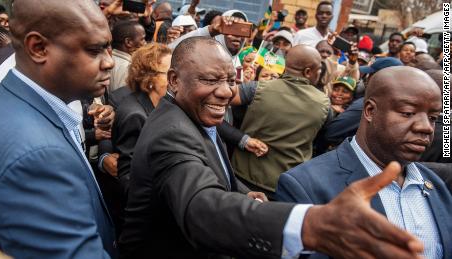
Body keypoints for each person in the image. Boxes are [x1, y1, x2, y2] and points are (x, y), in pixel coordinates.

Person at [119, 36, 424, 259]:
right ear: (173, 80)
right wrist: (310, 225)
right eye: (211, 80)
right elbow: (201, 206)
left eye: (229, 79)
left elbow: (211, 173)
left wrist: (239, 191)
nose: (226, 92)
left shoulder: (193, 117)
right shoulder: (171, 132)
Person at [277, 66, 451, 259]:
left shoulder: (437, 186)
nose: (426, 127)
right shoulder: (305, 185)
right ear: (370, 111)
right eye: (408, 112)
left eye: (433, 118)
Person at [0, 0, 116, 258]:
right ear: (38, 48)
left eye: (109, 48)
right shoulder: (40, 156)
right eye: (94, 50)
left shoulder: (5, 99)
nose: (109, 63)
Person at [231, 45, 330, 198]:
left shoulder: (256, 89)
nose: (320, 73)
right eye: (318, 69)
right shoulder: (324, 104)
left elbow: (214, 103)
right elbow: (324, 139)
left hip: (243, 178)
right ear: (308, 72)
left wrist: (241, 139)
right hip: (287, 185)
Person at [112, 43, 171, 194]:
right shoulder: (135, 116)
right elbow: (128, 177)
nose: (175, 78)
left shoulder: (163, 103)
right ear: (149, 78)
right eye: (168, 73)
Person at [109, 20, 145, 93]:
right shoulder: (128, 68)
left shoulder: (109, 58)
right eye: (142, 39)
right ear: (128, 42)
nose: (145, 43)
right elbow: (121, 100)